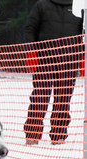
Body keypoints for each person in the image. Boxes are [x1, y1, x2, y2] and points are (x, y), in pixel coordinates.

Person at [23, 0, 83, 145]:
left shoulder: (80, 6)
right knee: (40, 97)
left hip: (69, 61)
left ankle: (59, 134)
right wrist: (31, 51)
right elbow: (30, 29)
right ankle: (32, 133)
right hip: (44, 60)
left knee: (63, 99)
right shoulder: (41, 5)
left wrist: (83, 55)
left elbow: (85, 32)